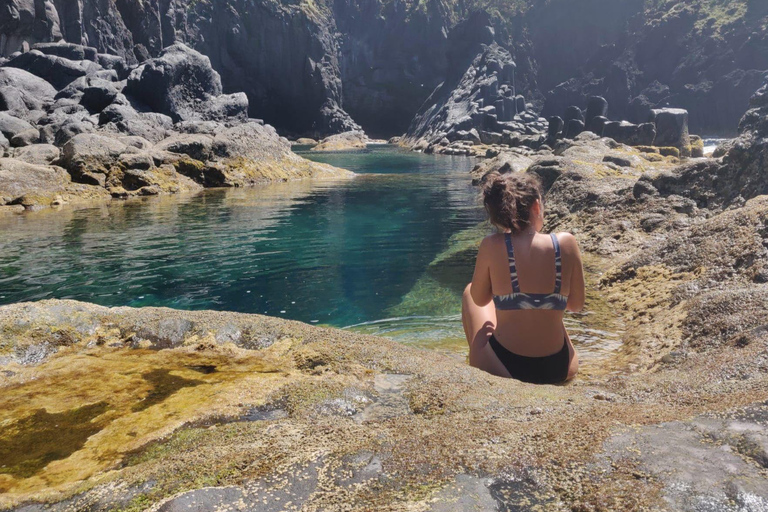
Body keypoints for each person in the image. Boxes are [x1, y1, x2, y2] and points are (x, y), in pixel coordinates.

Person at [461, 172, 585, 383]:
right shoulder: (566, 243)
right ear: (536, 206)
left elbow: (480, 299)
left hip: (503, 366)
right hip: (560, 367)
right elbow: (576, 305)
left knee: (470, 291)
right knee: (550, 305)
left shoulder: (492, 244)